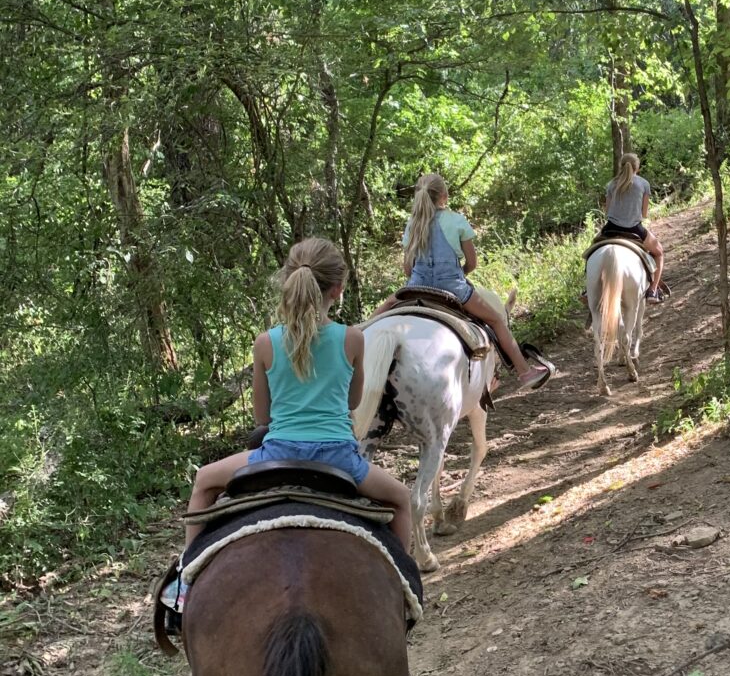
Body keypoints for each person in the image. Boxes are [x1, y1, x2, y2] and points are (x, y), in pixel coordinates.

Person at [181, 237, 413, 561]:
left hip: (279, 453)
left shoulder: (265, 343)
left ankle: (185, 579)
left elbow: (262, 418)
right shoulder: (353, 338)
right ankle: (404, 584)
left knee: (204, 481)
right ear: (338, 288)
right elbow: (352, 402)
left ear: (289, 281)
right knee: (401, 499)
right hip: (338, 457)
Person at [372, 173, 551, 390]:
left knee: (386, 308)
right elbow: (472, 263)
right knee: (496, 320)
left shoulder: (413, 224)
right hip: (452, 289)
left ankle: (356, 338)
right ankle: (524, 372)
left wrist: (420, 278)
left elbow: (407, 269)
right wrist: (459, 274)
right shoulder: (457, 221)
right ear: (444, 196)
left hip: (416, 288)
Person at [600, 152, 664, 300]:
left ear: (621, 166)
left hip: (611, 228)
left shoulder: (611, 184)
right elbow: (644, 213)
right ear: (637, 168)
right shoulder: (643, 184)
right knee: (659, 253)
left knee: (592, 250)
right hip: (634, 229)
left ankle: (587, 289)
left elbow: (608, 211)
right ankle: (653, 291)